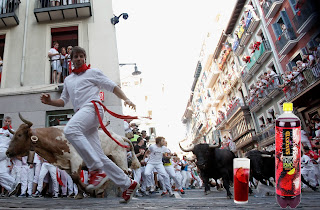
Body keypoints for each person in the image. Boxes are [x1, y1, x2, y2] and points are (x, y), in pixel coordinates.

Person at [40, 46, 138, 203]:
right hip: (82, 114)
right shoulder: (68, 80)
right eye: (75, 57)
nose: (78, 59)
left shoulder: (93, 73)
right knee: (98, 155)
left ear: (85, 58)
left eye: (81, 56)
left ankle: (95, 169)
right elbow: (63, 101)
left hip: (93, 108)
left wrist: (126, 99)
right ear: (71, 60)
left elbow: (112, 86)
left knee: (70, 130)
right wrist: (50, 101)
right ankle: (128, 183)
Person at [0, 116, 19, 196]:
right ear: (3, 121)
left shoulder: (12, 131)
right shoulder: (0, 130)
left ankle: (13, 183)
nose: (7, 123)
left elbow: (15, 142)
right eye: (6, 121)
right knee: (1, 173)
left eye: (9, 122)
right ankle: (10, 188)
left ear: (10, 123)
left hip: (3, 151)